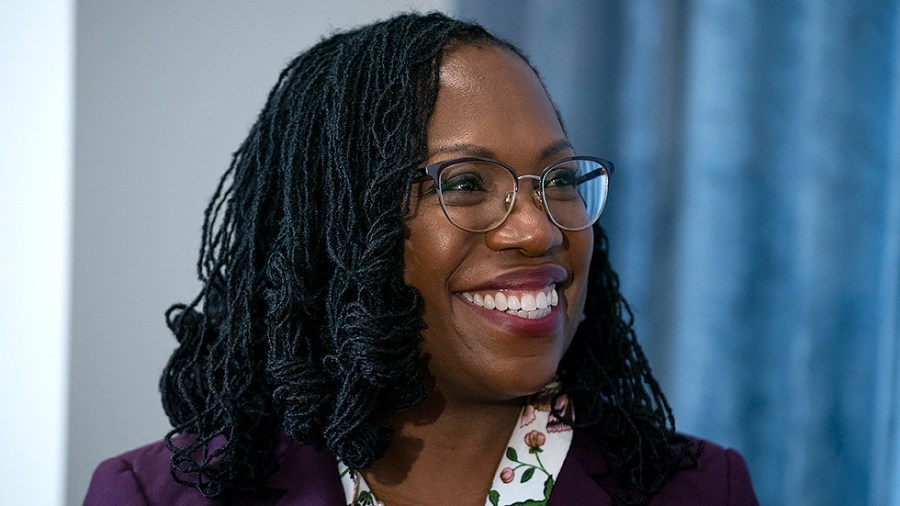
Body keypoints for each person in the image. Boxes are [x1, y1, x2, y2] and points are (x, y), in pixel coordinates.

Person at [84, 12, 758, 506]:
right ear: (339, 230)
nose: (537, 231)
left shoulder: (701, 489)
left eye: (557, 181)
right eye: (466, 183)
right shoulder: (150, 495)